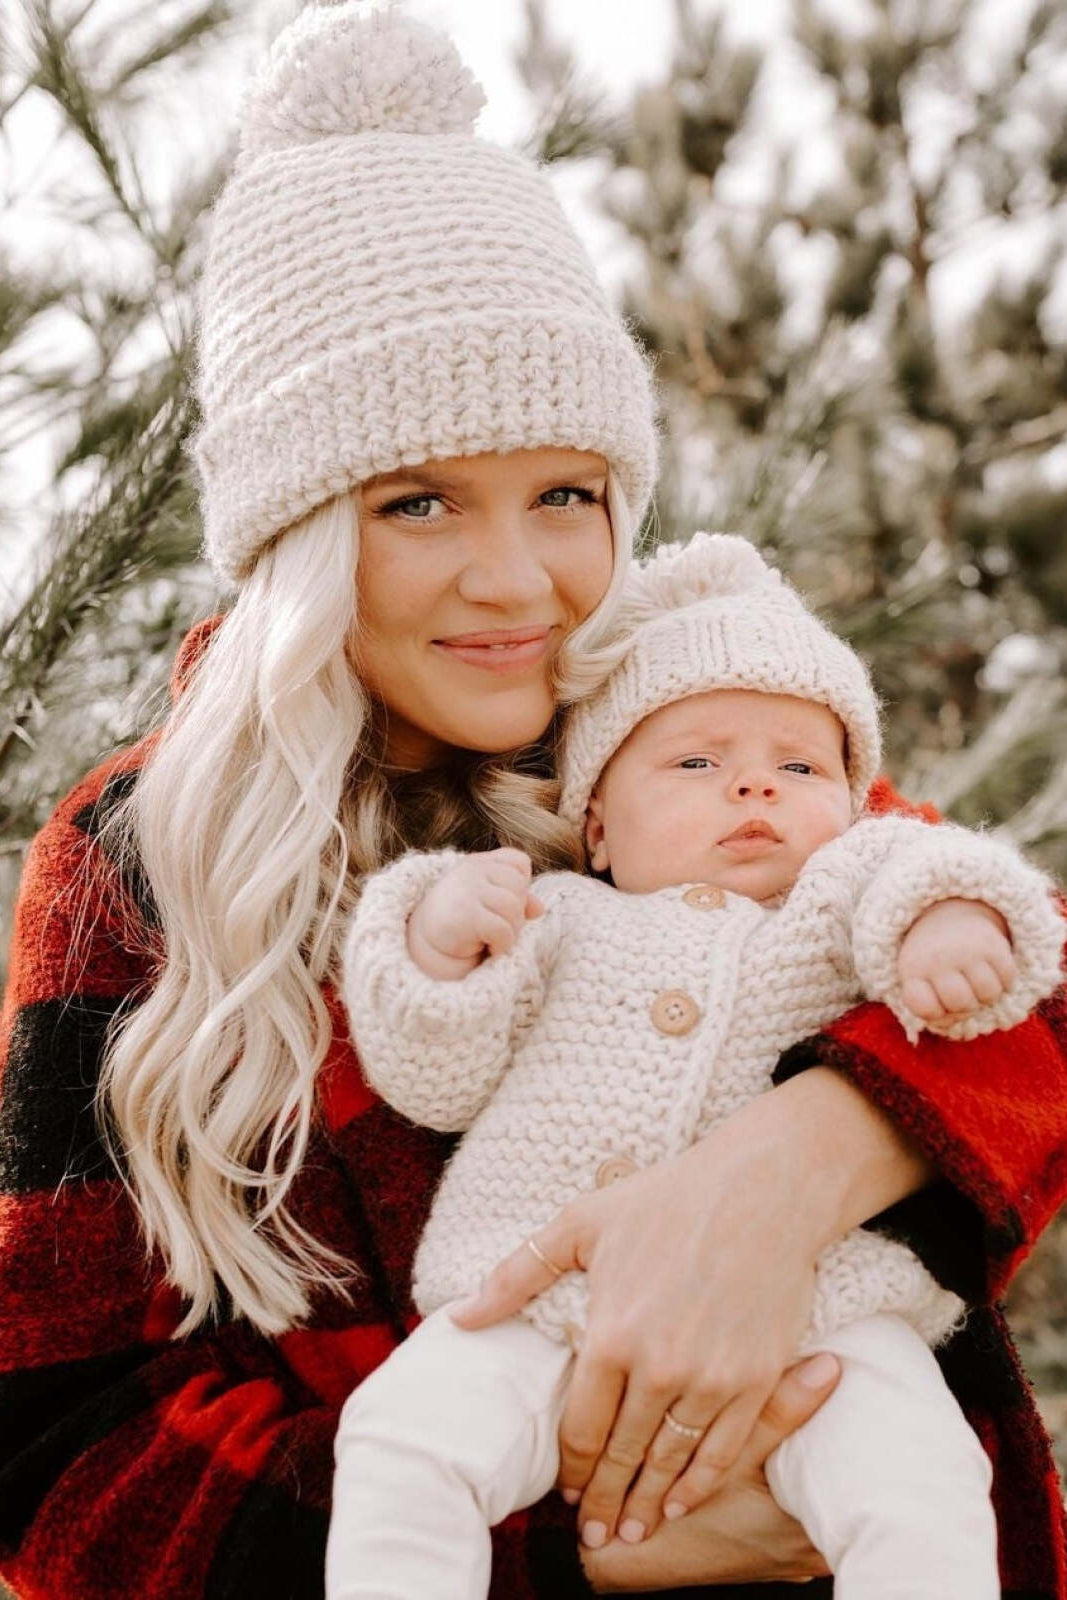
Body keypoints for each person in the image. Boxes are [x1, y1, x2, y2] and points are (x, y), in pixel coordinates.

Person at [0, 5, 1066, 1597]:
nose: (515, 583)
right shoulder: (141, 862)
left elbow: (1008, 976)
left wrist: (787, 1171)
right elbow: (62, 1457)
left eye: (565, 492)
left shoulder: (684, 735)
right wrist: (572, 1559)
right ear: (294, 532)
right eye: (416, 501)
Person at [329, 532, 1063, 1599]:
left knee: (922, 1482)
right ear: (596, 826)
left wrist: (948, 920)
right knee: (400, 1442)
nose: (755, 788)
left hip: (823, 1319)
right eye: (696, 762)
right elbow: (432, 1074)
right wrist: (439, 943)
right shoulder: (556, 915)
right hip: (529, 1298)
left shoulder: (838, 896)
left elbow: (948, 874)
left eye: (798, 766)